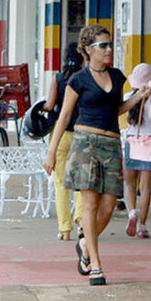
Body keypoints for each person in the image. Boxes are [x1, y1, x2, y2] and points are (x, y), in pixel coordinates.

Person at [43, 25, 151, 287]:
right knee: (89, 206)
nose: (109, 49)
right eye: (103, 45)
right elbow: (65, 116)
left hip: (112, 144)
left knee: (108, 208)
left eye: (109, 44)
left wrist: (139, 97)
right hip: (85, 144)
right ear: (89, 50)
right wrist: (52, 152)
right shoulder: (78, 79)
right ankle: (97, 266)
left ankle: (84, 244)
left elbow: (116, 110)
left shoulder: (117, 76)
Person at [43, 43, 85, 241]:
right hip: (80, 134)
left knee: (60, 183)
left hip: (60, 136)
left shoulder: (58, 78)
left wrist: (42, 106)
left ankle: (64, 229)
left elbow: (50, 105)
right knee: (80, 182)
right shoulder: (85, 78)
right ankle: (80, 219)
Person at [123, 87, 151, 239]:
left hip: (132, 138)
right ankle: (142, 226)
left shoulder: (129, 96)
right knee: (145, 186)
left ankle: (132, 212)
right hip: (150, 142)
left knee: (130, 183)